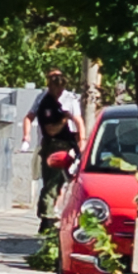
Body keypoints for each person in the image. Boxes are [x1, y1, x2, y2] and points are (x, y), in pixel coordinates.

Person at [29, 67, 82, 220]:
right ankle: (47, 216)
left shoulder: (56, 103)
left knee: (59, 182)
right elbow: (51, 130)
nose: (60, 91)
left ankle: (49, 212)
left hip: (64, 145)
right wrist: (64, 119)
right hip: (54, 146)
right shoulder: (47, 105)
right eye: (58, 87)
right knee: (52, 183)